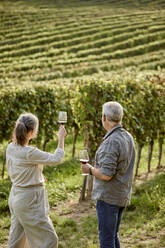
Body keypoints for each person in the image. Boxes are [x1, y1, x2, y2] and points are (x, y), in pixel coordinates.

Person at [6, 113, 67, 248]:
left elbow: (18, 170)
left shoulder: (10, 147)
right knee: (50, 241)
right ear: (32, 132)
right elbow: (56, 158)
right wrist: (61, 138)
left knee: (17, 242)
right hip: (30, 200)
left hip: (15, 196)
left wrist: (36, 175)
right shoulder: (29, 152)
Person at [81, 101, 135, 248]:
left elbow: (106, 174)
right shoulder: (128, 136)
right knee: (112, 235)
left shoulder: (112, 141)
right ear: (121, 116)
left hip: (109, 198)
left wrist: (89, 170)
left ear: (104, 117)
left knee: (106, 240)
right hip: (122, 195)